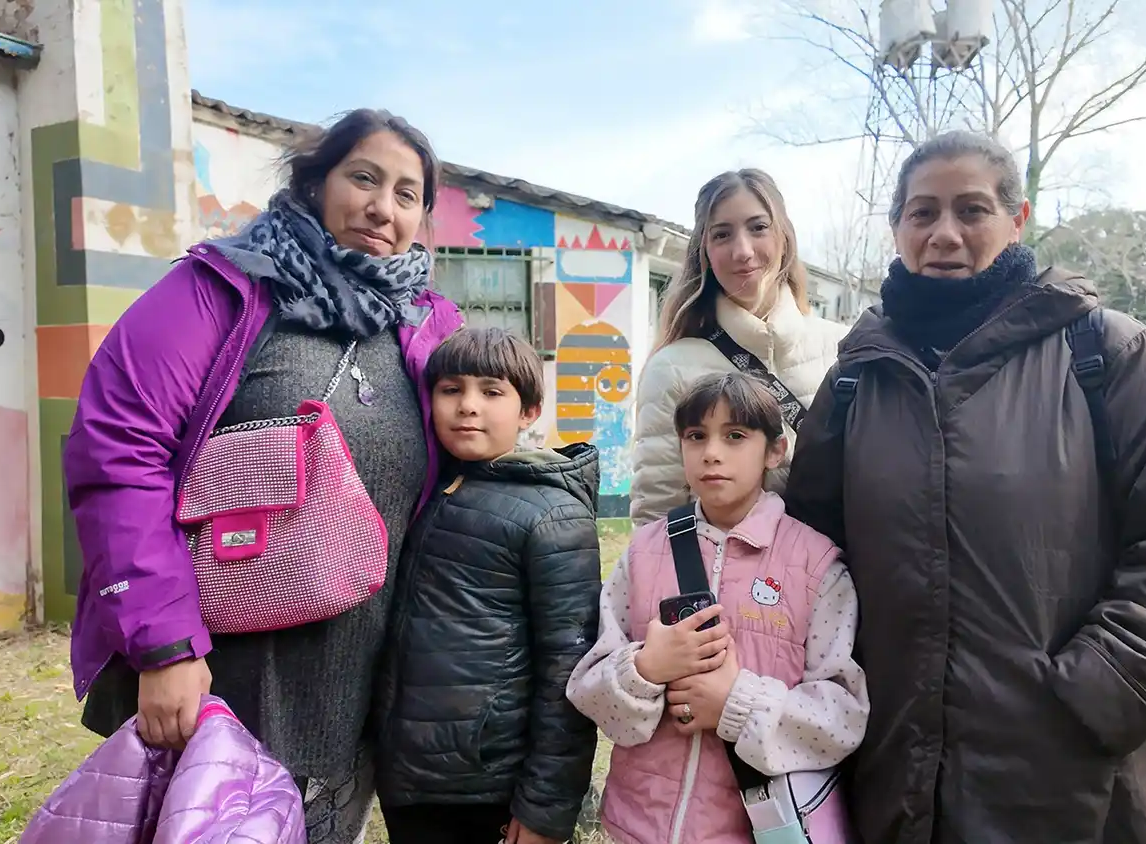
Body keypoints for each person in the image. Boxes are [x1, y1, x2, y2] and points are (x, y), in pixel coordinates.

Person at [784, 130, 1146, 844]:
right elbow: (810, 553)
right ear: (897, 227)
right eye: (922, 213)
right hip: (893, 774)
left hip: (1071, 782)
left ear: (1017, 219)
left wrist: (1098, 693)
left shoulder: (1107, 353)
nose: (944, 234)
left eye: (971, 210)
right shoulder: (857, 378)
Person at [63, 108, 463, 844]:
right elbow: (118, 450)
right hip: (221, 674)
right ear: (314, 184)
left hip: (358, 680)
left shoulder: (426, 325)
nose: (383, 207)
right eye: (364, 178)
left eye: (408, 194)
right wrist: (165, 648)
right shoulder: (222, 290)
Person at [569, 371, 869, 844]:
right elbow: (590, 690)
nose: (712, 452)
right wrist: (646, 668)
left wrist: (736, 702)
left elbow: (842, 716)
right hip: (637, 826)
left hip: (755, 831)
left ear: (775, 450)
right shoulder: (645, 552)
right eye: (696, 436)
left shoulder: (817, 566)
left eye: (735, 436)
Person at [372, 326, 602, 844]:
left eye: (491, 391)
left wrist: (546, 806)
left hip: (487, 784)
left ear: (529, 412)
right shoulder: (429, 489)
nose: (467, 406)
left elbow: (569, 667)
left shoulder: (553, 514)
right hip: (411, 777)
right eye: (451, 389)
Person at [630, 169, 848, 526]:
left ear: (784, 238)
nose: (743, 251)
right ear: (704, 251)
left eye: (758, 228)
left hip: (833, 577)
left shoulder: (843, 349)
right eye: (722, 234)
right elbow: (656, 519)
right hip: (717, 580)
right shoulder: (671, 368)